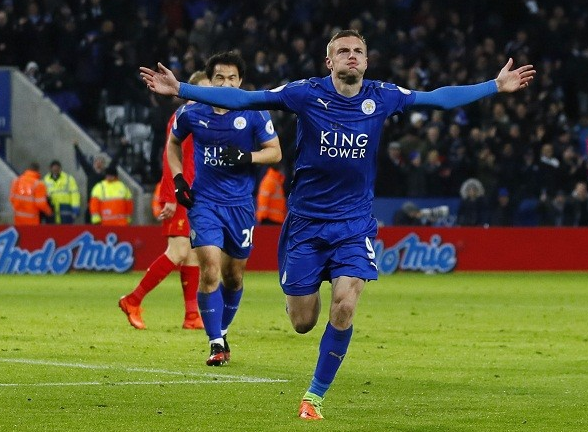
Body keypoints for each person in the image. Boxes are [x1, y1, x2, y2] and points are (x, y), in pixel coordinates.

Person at [140, 29, 535, 420]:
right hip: (306, 224)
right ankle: (296, 295)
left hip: (354, 224)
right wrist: (182, 90)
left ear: (366, 61)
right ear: (329, 61)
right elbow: (244, 98)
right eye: (343, 51)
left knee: (345, 305)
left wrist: (494, 86)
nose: (351, 56)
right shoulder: (305, 93)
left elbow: (438, 99)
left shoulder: (383, 96)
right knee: (303, 322)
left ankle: (314, 396)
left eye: (358, 50)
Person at [165, 52, 281, 366]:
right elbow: (173, 143)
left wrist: (247, 157)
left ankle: (223, 330)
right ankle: (215, 342)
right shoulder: (191, 112)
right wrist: (178, 179)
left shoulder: (254, 113)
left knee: (234, 275)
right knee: (210, 270)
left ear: (240, 82)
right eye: (220, 78)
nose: (226, 84)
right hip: (204, 203)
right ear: (210, 80)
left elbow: (275, 152)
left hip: (240, 206)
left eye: (232, 78)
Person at [119, 71, 210, 331]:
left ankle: (191, 315)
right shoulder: (183, 117)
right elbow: (169, 159)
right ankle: (132, 300)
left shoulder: (201, 118)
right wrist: (170, 197)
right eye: (203, 89)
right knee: (178, 251)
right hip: (179, 195)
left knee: (192, 255)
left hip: (195, 196)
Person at [74, 141, 126, 223]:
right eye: (96, 162)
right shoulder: (90, 172)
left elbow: (115, 161)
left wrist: (123, 147)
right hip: (91, 207)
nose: (98, 164)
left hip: (103, 207)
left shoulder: (106, 175)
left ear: (104, 165)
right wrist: (76, 147)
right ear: (93, 164)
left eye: (101, 162)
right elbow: (82, 160)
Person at [43, 160, 81, 224]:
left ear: (60, 168)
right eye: (54, 169)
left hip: (66, 209)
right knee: (52, 229)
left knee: (66, 229)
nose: (55, 171)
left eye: (57, 169)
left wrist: (75, 207)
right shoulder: (45, 179)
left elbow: (75, 194)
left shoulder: (68, 178)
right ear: (50, 169)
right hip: (51, 208)